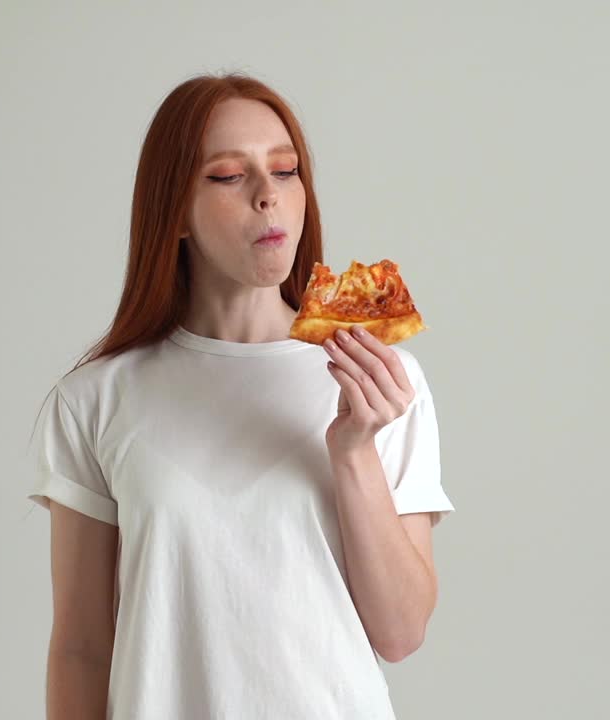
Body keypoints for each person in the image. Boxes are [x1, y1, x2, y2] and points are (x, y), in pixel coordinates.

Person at [25, 72, 455, 720]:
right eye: (229, 176)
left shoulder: (384, 384)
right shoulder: (94, 401)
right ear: (172, 213)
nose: (267, 197)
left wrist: (354, 449)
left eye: (286, 172)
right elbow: (83, 648)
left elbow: (401, 633)